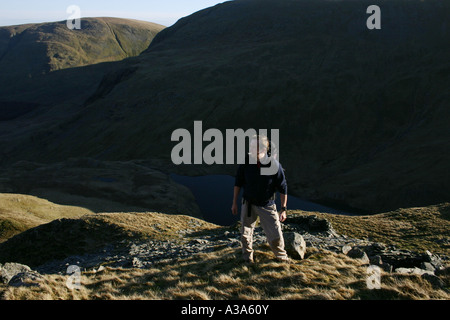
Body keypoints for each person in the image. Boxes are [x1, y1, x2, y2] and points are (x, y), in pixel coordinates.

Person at [231, 135, 289, 263]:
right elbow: (238, 182)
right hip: (248, 204)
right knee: (245, 234)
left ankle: (282, 258)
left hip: (266, 205)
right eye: (250, 146)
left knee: (275, 235)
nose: (251, 149)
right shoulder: (246, 162)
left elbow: (283, 187)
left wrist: (283, 209)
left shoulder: (274, 165)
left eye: (254, 147)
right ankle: (248, 259)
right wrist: (234, 202)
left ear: (263, 149)